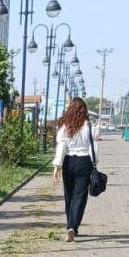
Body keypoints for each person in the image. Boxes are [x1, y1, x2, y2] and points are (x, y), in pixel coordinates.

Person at [52, 97, 96, 242]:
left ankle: (70, 225)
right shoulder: (88, 126)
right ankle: (73, 226)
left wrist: (57, 166)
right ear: (84, 110)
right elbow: (93, 146)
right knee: (80, 196)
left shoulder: (65, 126)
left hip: (69, 161)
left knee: (69, 195)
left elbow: (61, 146)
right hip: (84, 161)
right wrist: (95, 163)